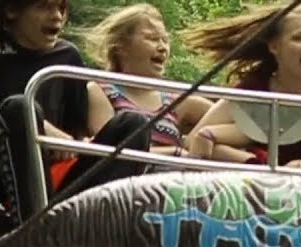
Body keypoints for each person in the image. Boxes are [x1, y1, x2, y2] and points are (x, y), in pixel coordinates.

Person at [0, 0, 152, 227]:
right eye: (44, 7)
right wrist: (38, 124)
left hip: (57, 173)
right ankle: (32, 227)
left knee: (134, 124)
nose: (56, 16)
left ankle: (95, 224)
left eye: (61, 8)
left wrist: (70, 142)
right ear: (12, 10)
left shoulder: (68, 57)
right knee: (20, 107)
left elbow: (76, 130)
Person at [181, 2, 301, 168]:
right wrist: (253, 161)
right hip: (263, 191)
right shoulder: (254, 88)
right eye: (299, 38)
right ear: (274, 47)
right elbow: (193, 140)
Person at [83, 4, 212, 157]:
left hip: (170, 178)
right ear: (121, 47)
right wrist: (175, 153)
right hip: (124, 177)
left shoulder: (176, 101)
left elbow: (230, 115)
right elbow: (109, 149)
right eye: (152, 39)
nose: (162, 47)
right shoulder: (101, 90)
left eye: (165, 40)